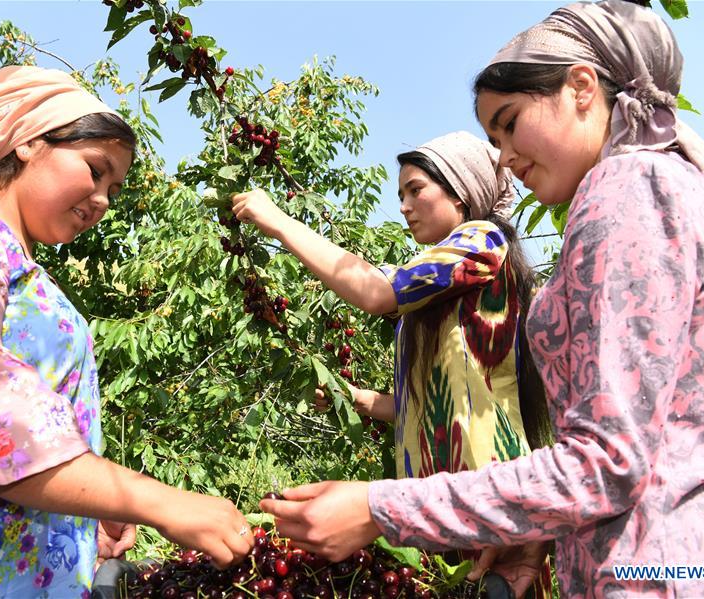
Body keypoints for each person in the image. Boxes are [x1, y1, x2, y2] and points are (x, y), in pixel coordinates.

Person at [259, 1, 704, 597]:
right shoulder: (656, 187)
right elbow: (633, 445)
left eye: (509, 122)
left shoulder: (629, 191)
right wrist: (539, 531)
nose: (503, 156)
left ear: (582, 87)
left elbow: (606, 464)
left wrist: (380, 508)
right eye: (491, 137)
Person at [0, 66, 253, 597]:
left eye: (113, 188)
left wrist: (88, 508)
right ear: (28, 142)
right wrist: (154, 499)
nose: (102, 199)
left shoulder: (29, 274)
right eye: (95, 170)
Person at [232, 132, 552, 595]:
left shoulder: (483, 241)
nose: (404, 205)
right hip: (432, 501)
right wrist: (358, 400)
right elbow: (424, 404)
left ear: (461, 195)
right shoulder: (434, 289)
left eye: (416, 189)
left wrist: (278, 221)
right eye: (401, 194)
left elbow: (375, 291)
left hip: (484, 487)